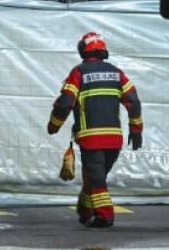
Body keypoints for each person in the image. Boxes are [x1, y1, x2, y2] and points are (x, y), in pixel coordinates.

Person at [47, 32, 143, 228]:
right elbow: (133, 101)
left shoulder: (79, 72)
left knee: (96, 178)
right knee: (95, 175)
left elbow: (65, 103)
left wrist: (54, 126)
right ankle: (85, 210)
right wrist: (136, 130)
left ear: (83, 49)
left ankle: (104, 215)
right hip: (114, 140)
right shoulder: (117, 73)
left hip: (91, 139)